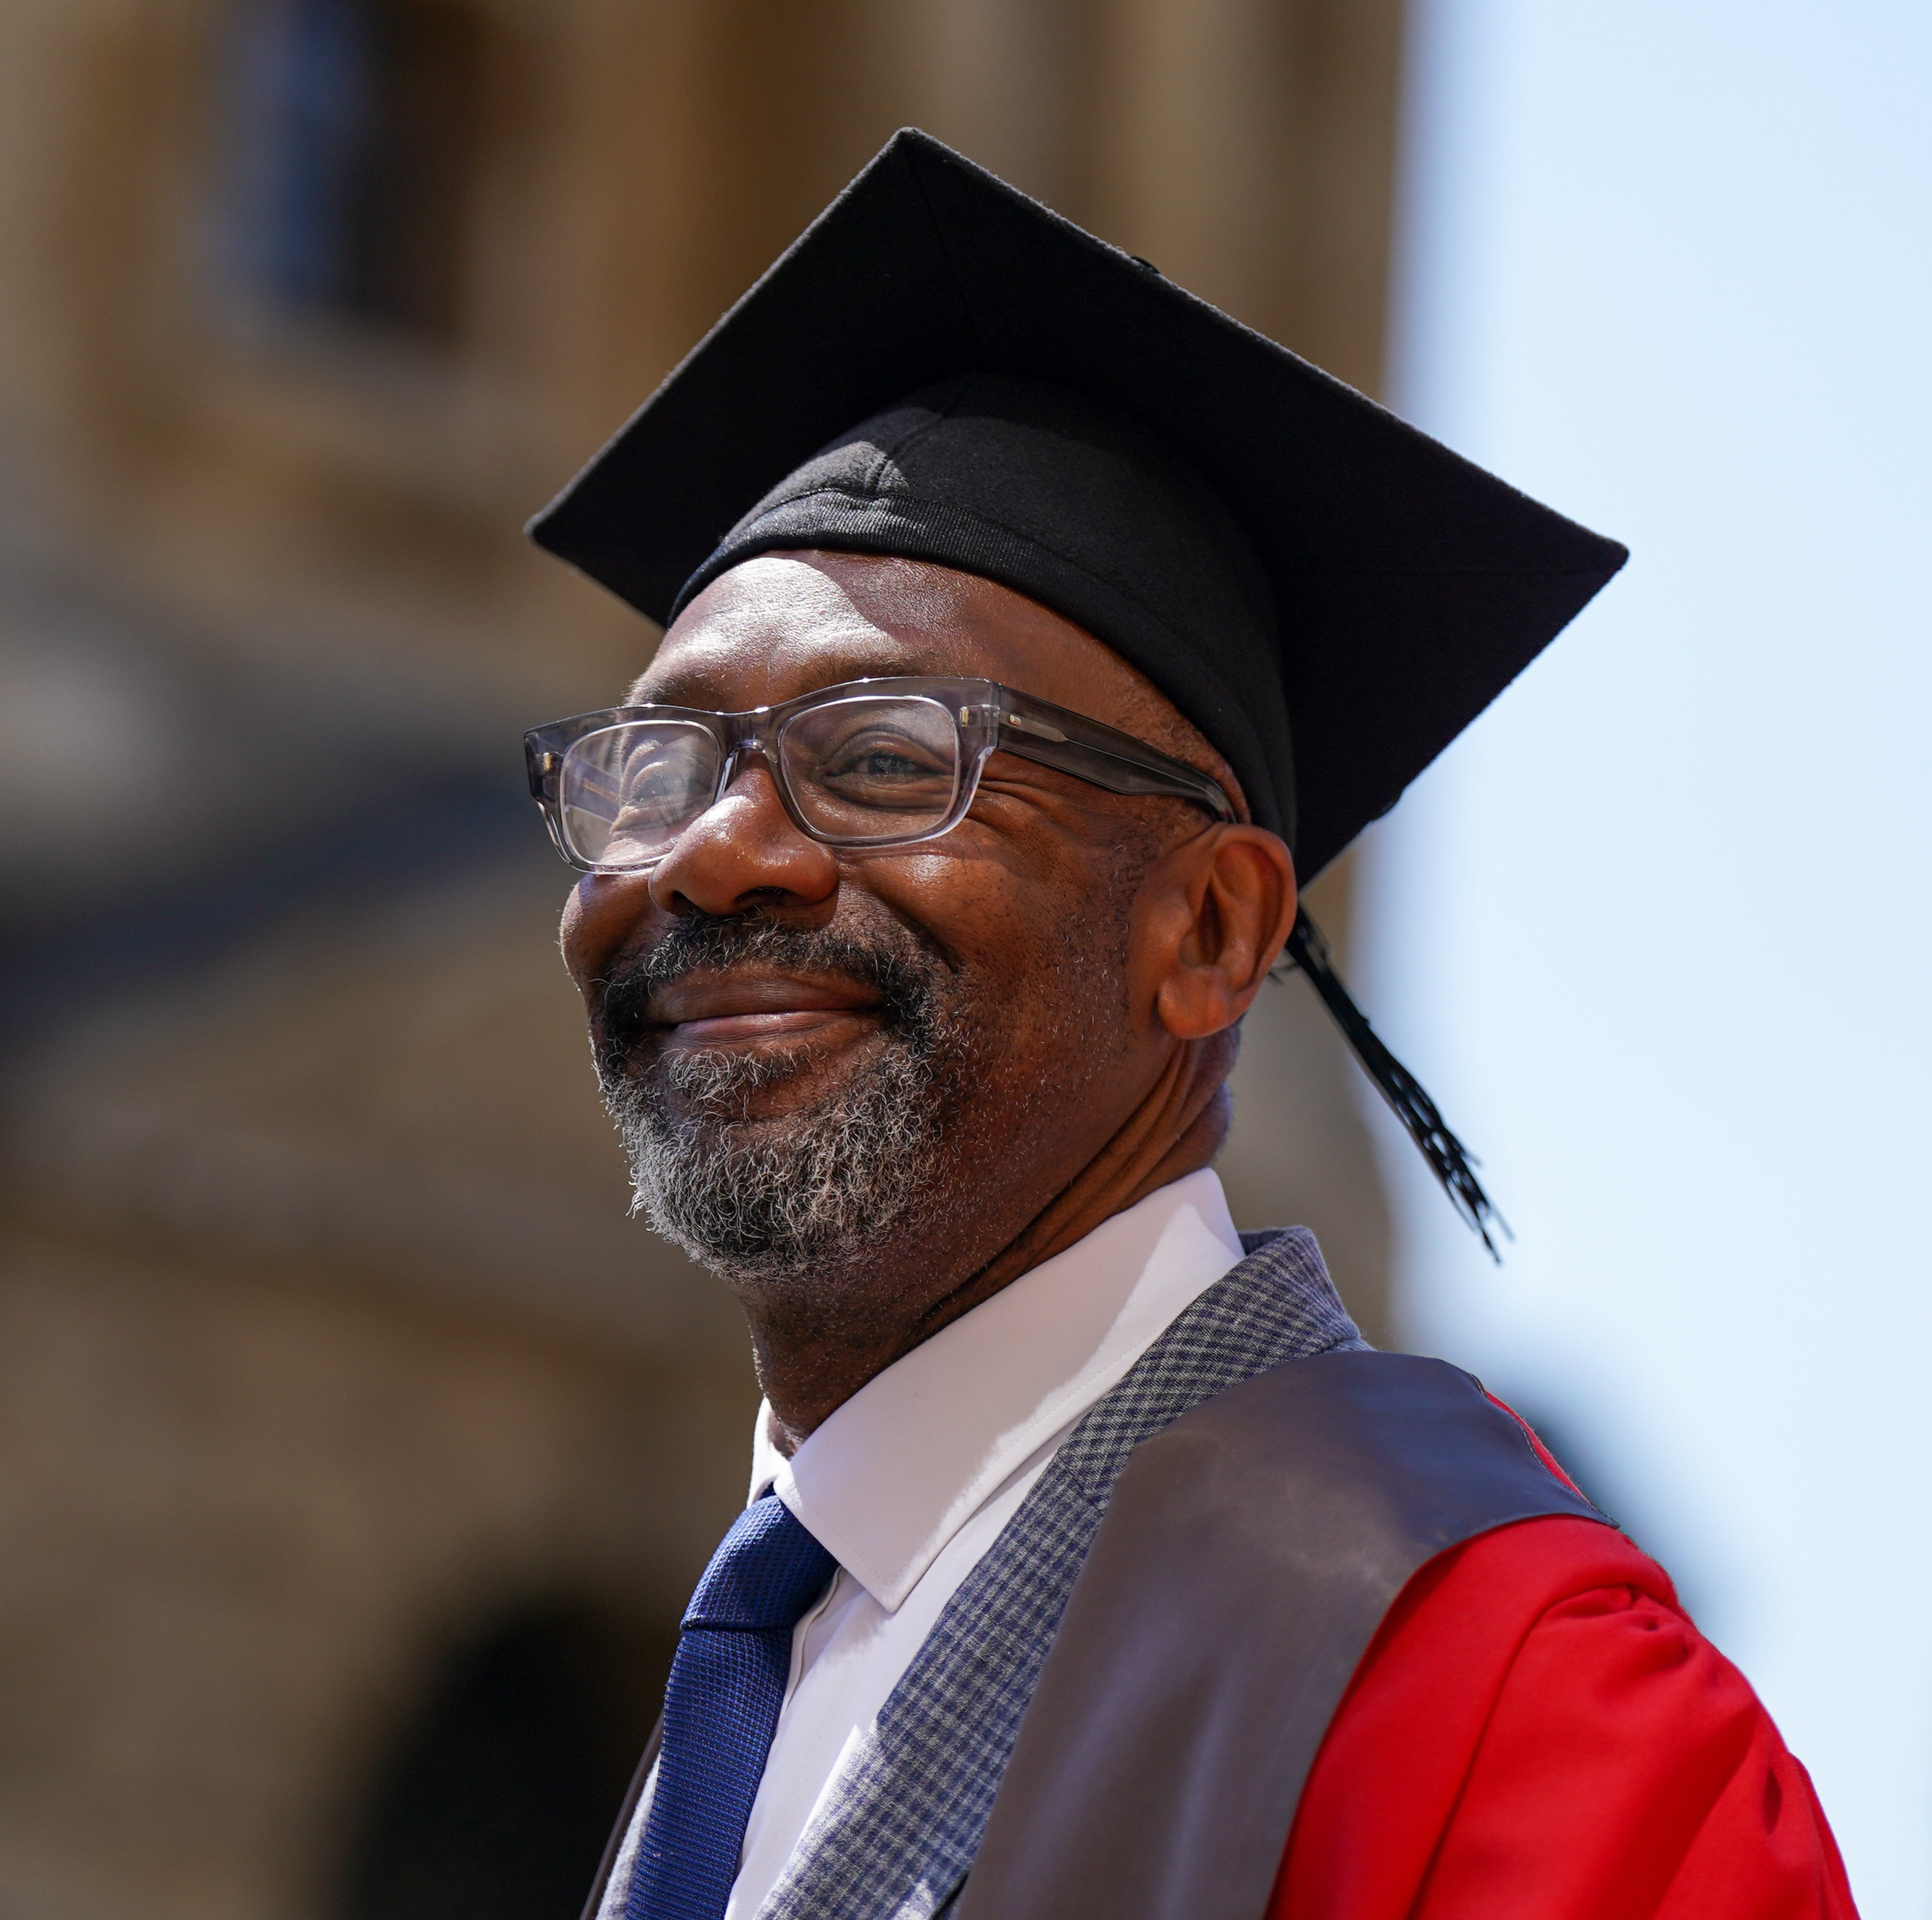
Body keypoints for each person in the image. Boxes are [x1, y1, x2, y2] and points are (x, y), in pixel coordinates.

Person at [522, 131, 1854, 1920]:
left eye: (885, 761)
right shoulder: (754, 1690)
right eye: (654, 769)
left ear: (1212, 925)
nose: (717, 854)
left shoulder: (1498, 1696)